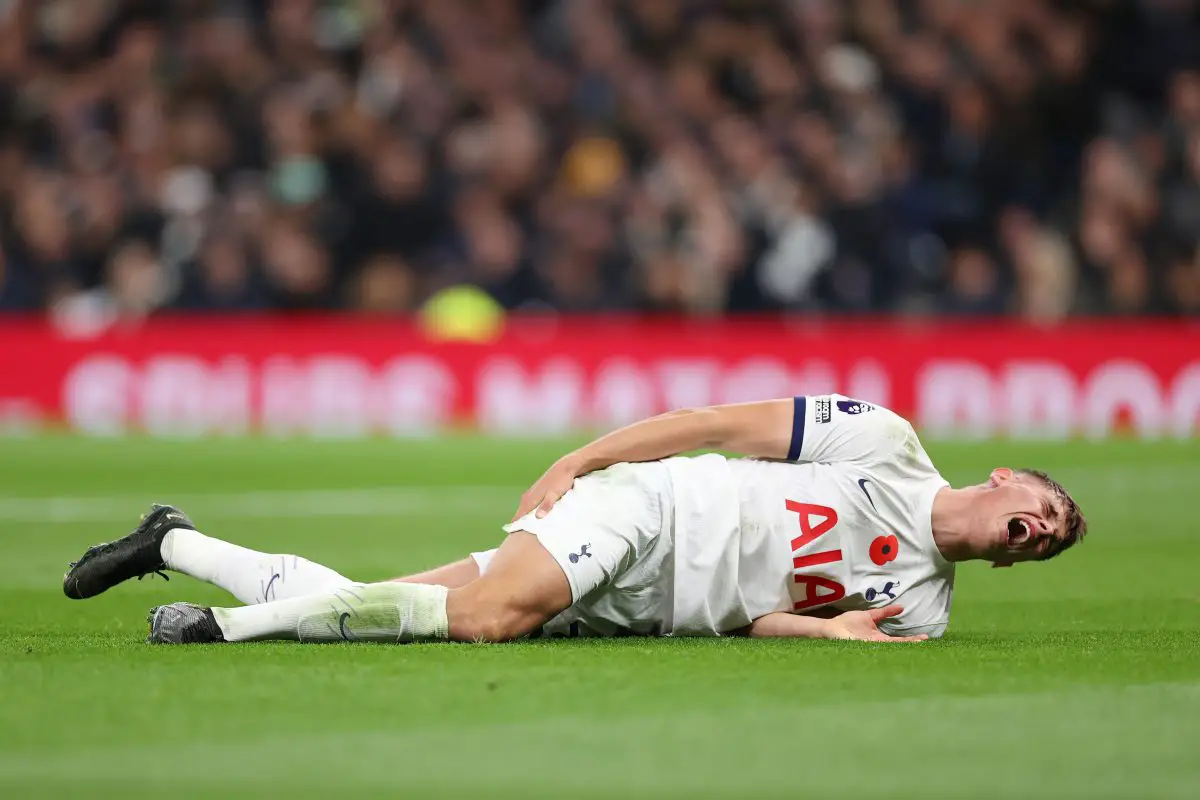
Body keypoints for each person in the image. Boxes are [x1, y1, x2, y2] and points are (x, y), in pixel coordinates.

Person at [62, 395, 1087, 644]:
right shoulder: (886, 444)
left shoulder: (923, 612)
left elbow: (760, 620)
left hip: (650, 604)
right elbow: (722, 423)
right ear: (1004, 479)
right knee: (485, 622)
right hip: (651, 509)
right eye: (1041, 507)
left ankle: (173, 539)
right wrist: (587, 455)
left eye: (1047, 539)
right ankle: (221, 630)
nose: (1037, 529)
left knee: (387, 604)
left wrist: (822, 631)